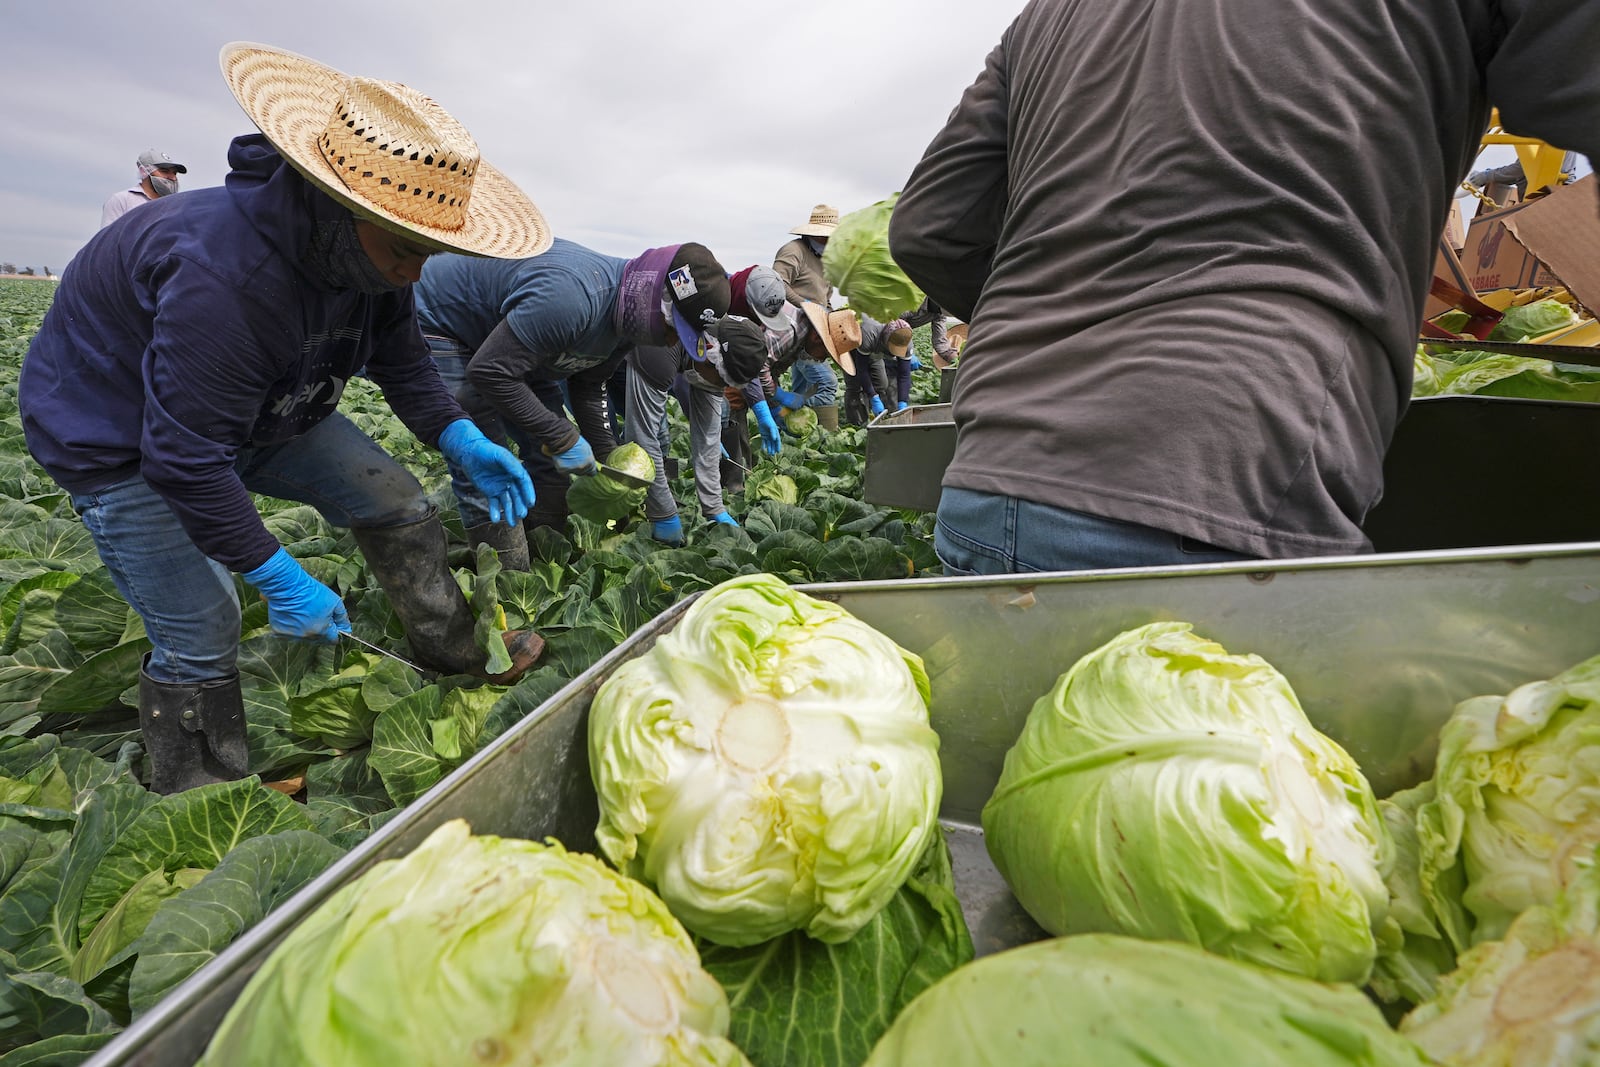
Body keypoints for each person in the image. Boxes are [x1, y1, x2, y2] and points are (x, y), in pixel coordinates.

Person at [888, 0, 1600, 576]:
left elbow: (929, 226)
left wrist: (1058, 320)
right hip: (1228, 472)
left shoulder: (1049, 14)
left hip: (993, 477)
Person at [20, 43, 549, 794]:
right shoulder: (225, 278)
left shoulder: (373, 261)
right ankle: (201, 791)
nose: (414, 270)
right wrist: (277, 574)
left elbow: (401, 362)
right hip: (124, 437)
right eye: (406, 249)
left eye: (428, 253)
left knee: (394, 496)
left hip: (262, 408)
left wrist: (458, 435)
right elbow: (183, 458)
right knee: (204, 626)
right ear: (338, 203)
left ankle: (456, 649)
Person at [414, 239, 738, 540]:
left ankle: (539, 556)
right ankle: (498, 570)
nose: (670, 342)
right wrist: (561, 436)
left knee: (550, 465)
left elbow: (587, 382)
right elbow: (490, 372)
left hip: (519, 350)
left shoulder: (626, 325)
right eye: (672, 328)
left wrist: (605, 455)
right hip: (444, 322)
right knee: (487, 460)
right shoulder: (572, 298)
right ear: (651, 294)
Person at [623, 317, 770, 544]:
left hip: (639, 364)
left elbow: (708, 439)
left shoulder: (709, 363)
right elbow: (642, 438)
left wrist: (714, 507)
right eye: (723, 380)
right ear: (710, 352)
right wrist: (664, 514)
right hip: (598, 364)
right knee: (614, 448)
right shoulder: (660, 349)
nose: (722, 387)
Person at [100, 148, 187, 228]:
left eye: (174, 173)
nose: (173, 177)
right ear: (144, 171)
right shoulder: (122, 200)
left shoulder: (177, 205)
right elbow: (108, 241)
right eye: (164, 171)